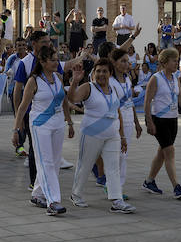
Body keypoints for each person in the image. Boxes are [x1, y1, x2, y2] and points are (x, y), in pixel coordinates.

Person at [12, 45, 74, 216]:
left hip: (58, 124)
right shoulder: (34, 80)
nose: (56, 63)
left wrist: (69, 122)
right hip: (40, 125)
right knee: (45, 162)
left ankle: (37, 194)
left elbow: (64, 101)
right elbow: (23, 106)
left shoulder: (59, 78)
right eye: (53, 60)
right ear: (43, 62)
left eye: (56, 59)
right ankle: (53, 201)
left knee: (54, 162)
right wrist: (16, 129)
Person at [67, 58, 135, 213]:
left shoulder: (113, 89)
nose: (101, 74)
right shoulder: (88, 87)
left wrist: (122, 136)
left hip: (112, 135)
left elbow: (117, 112)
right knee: (85, 164)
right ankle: (76, 195)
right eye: (98, 71)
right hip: (91, 134)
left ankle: (117, 200)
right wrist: (75, 81)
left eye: (105, 71)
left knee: (113, 167)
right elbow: (72, 98)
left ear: (110, 73)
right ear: (94, 73)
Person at [142, 48, 181, 200]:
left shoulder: (175, 78)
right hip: (159, 120)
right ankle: (176, 187)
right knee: (170, 151)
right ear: (165, 62)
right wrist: (149, 122)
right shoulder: (156, 78)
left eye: (177, 60)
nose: (176, 63)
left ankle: (149, 181)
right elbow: (147, 102)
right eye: (174, 60)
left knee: (163, 152)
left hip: (173, 119)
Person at [109, 47, 142, 202]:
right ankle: (113, 188)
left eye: (127, 61)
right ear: (114, 63)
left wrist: (137, 122)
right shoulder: (110, 82)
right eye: (123, 61)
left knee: (123, 156)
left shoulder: (128, 78)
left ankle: (117, 188)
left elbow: (130, 102)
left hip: (129, 121)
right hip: (116, 122)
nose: (126, 64)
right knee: (116, 156)